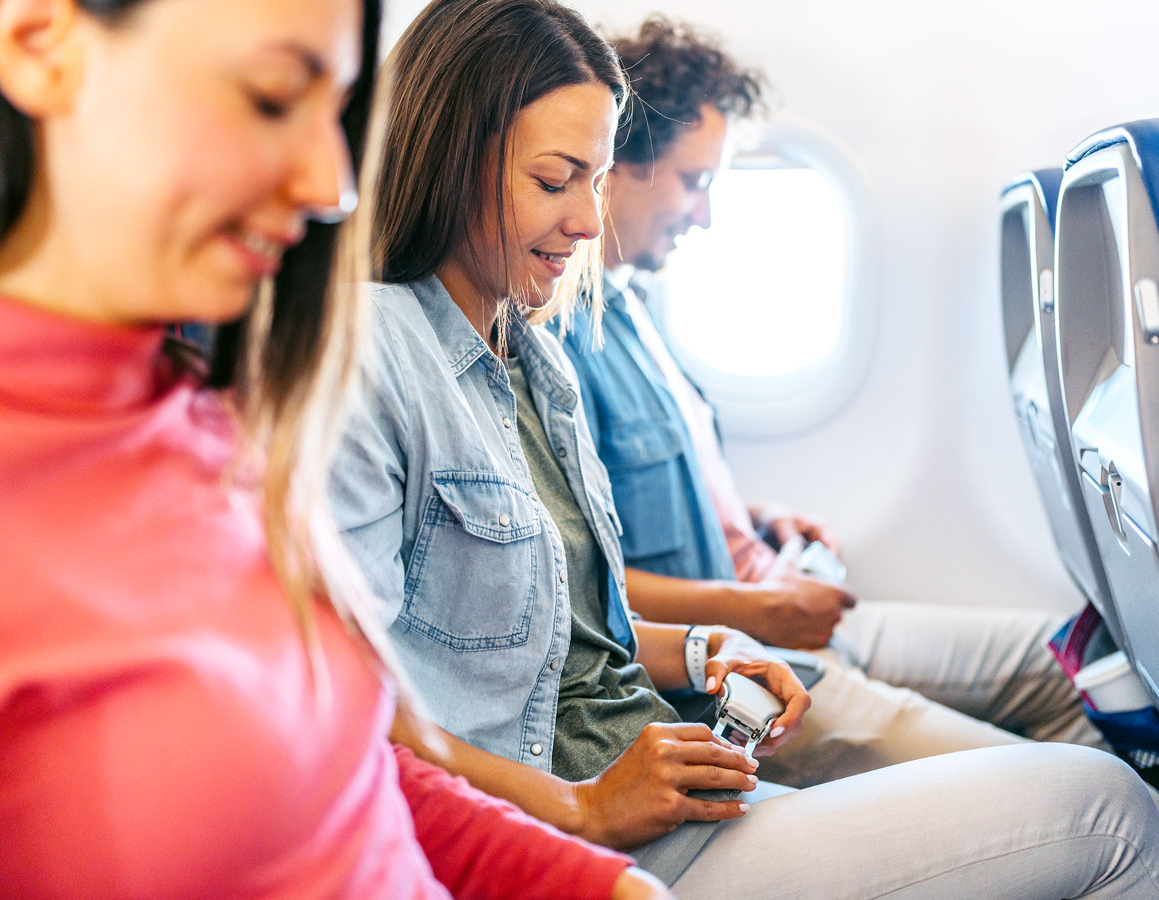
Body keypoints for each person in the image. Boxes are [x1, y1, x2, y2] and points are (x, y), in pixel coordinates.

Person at [329, 0, 1159, 895]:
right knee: (1111, 812)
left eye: (597, 182)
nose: (583, 220)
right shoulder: (373, 357)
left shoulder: (531, 361)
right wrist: (579, 809)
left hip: (669, 788)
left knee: (1082, 775)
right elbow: (347, 703)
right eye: (556, 177)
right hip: (597, 840)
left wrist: (704, 650)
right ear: (453, 161)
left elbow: (556, 635)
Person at [0, 0, 668, 897]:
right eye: (269, 98)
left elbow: (345, 778)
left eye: (336, 117)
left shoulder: (198, 413)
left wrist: (599, 884)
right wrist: (579, 814)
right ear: (36, 39)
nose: (332, 183)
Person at [556, 16, 1103, 790]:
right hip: (733, 663)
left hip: (770, 600)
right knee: (1079, 792)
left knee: (1076, 667)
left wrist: (753, 517)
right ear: (622, 165)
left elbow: (652, 492)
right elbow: (583, 586)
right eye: (695, 181)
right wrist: (759, 610)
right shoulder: (563, 342)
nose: (706, 214)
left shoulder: (634, 306)